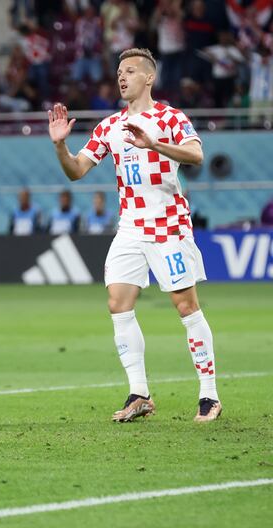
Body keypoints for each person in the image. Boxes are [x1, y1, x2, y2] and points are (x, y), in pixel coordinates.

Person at [48, 47, 222, 423]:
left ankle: (209, 395)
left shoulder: (170, 118)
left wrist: (153, 144)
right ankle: (139, 393)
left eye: (129, 71)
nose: (122, 77)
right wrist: (61, 144)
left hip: (168, 225)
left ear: (149, 77)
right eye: (118, 72)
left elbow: (195, 156)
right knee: (117, 303)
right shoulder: (109, 127)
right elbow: (77, 170)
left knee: (186, 306)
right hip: (130, 227)